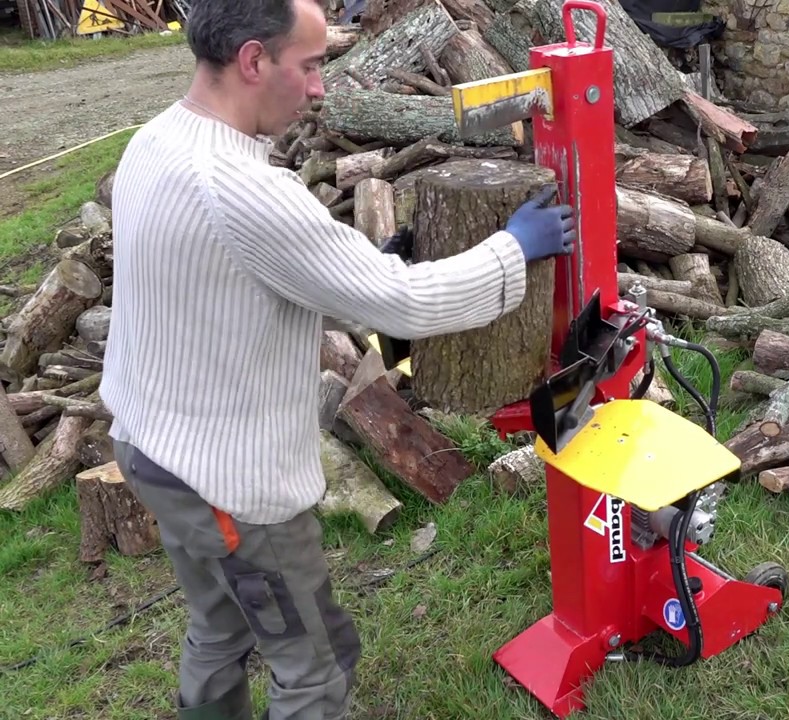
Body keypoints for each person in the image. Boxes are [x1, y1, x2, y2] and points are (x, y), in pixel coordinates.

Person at [100, 1, 575, 718]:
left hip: (151, 445)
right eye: (312, 64)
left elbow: (230, 280)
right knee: (313, 665)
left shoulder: (158, 140)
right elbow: (407, 305)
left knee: (219, 626)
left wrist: (355, 273)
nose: (322, 86)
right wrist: (515, 248)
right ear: (254, 60)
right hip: (226, 482)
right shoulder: (245, 190)